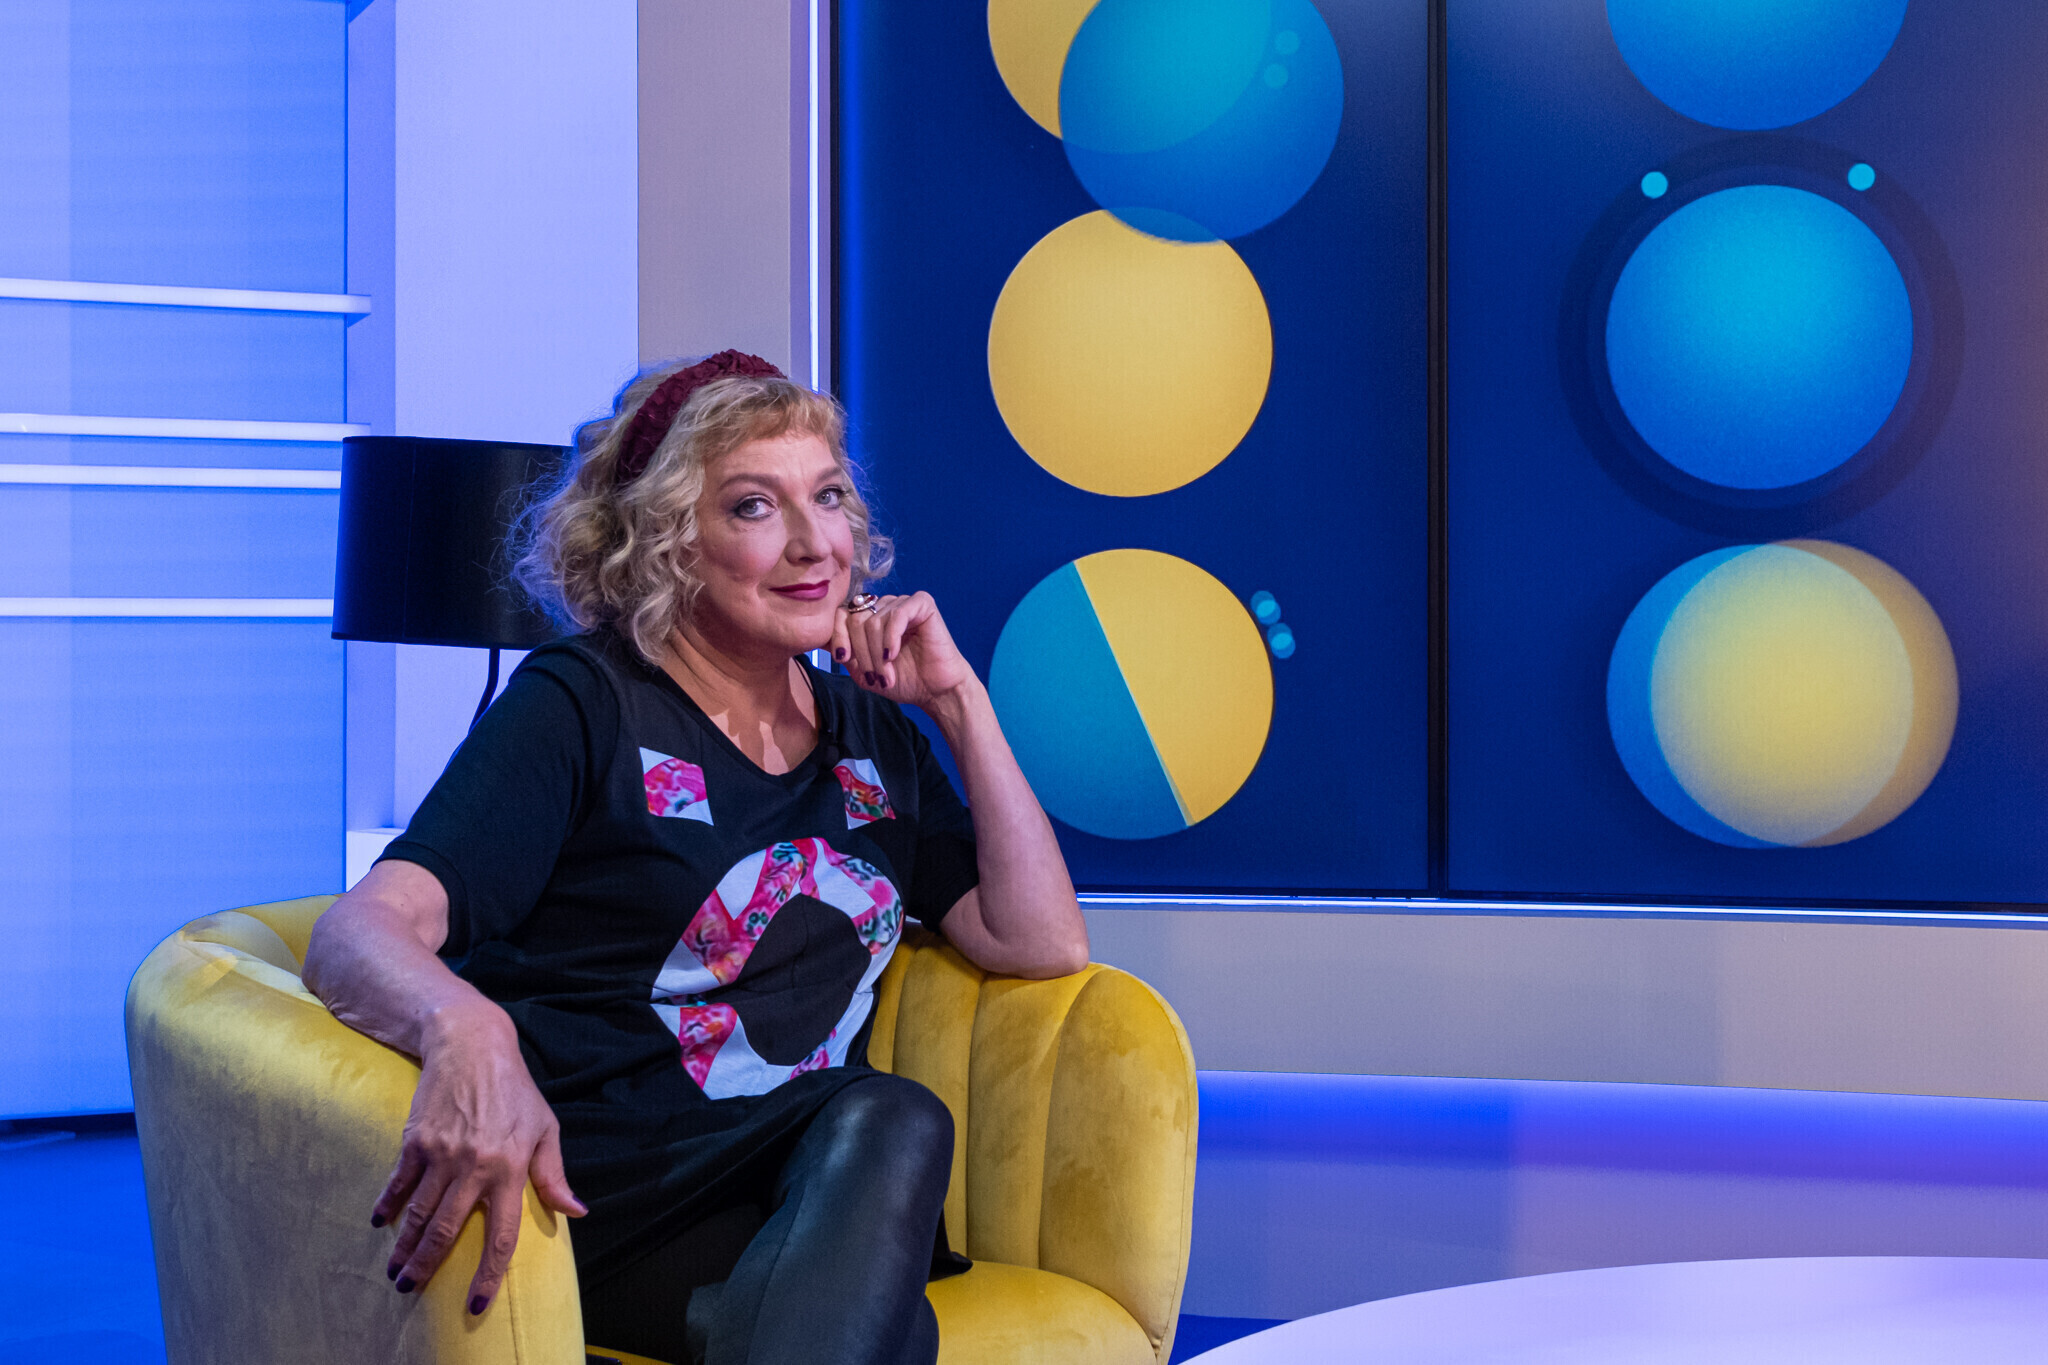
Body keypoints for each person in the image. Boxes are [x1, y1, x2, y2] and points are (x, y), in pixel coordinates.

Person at [302, 350, 1088, 1365]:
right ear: (664, 541)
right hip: (605, 1186)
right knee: (892, 1137)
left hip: (794, 1193)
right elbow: (357, 931)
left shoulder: (872, 733)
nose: (813, 543)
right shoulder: (581, 703)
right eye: (754, 506)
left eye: (828, 497)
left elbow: (1038, 939)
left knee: (879, 1300)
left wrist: (959, 704)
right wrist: (466, 1027)